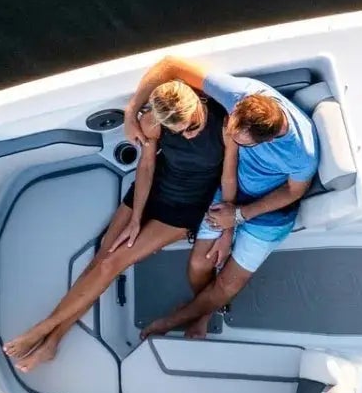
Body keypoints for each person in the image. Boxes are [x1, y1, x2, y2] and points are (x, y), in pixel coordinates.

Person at [1, 79, 229, 371]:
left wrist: (227, 226)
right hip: (151, 192)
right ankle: (51, 343)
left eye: (189, 127)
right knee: (98, 262)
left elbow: (228, 179)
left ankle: (43, 329)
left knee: (110, 265)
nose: (185, 134)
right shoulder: (153, 122)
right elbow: (146, 167)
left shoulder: (223, 127)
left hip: (183, 211)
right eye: (177, 131)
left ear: (198, 105)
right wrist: (135, 219)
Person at [136, 57, 318, 340]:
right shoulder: (239, 95)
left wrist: (239, 216)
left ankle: (174, 320)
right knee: (199, 263)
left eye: (239, 139)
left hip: (269, 214)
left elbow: (294, 191)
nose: (229, 138)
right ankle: (203, 312)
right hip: (229, 193)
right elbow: (170, 64)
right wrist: (131, 112)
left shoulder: (301, 153)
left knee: (227, 284)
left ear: (264, 141)